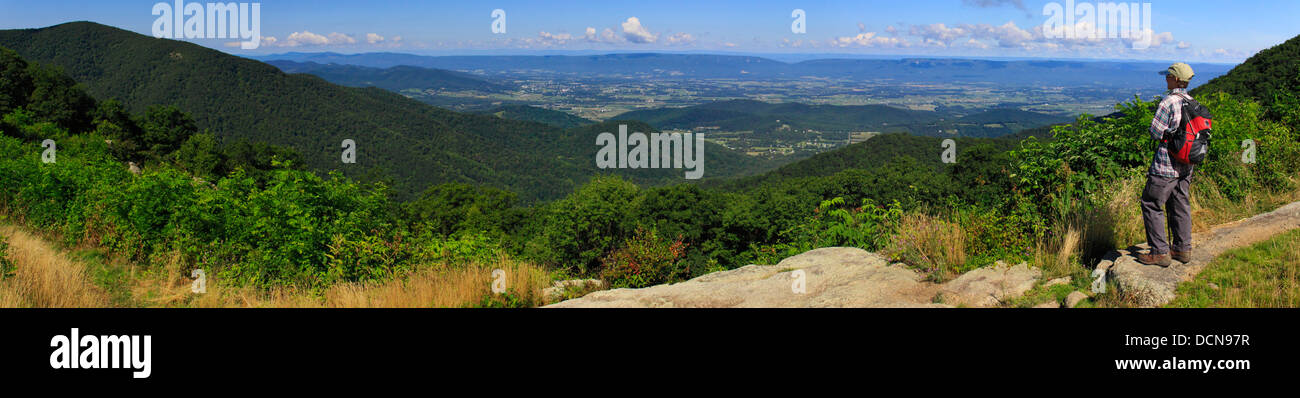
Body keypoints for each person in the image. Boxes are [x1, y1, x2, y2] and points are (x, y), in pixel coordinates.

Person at [1137, 62, 1197, 267]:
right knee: (1180, 204)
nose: (1166, 79)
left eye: (1168, 76)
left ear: (1176, 80)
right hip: (1186, 164)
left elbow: (1155, 132)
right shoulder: (1192, 102)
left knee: (1151, 203)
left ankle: (1160, 252)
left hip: (1166, 164)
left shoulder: (1168, 102)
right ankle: (1182, 249)